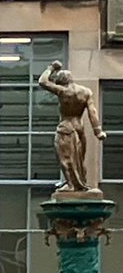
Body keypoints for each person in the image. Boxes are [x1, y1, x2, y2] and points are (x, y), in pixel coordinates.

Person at [38, 60, 107, 193]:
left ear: (61, 81)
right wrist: (97, 131)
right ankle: (78, 183)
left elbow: (43, 81)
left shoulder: (63, 91)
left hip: (66, 127)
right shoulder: (86, 92)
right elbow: (92, 112)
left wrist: (51, 68)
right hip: (79, 128)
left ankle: (71, 185)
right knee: (78, 159)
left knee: (66, 158)